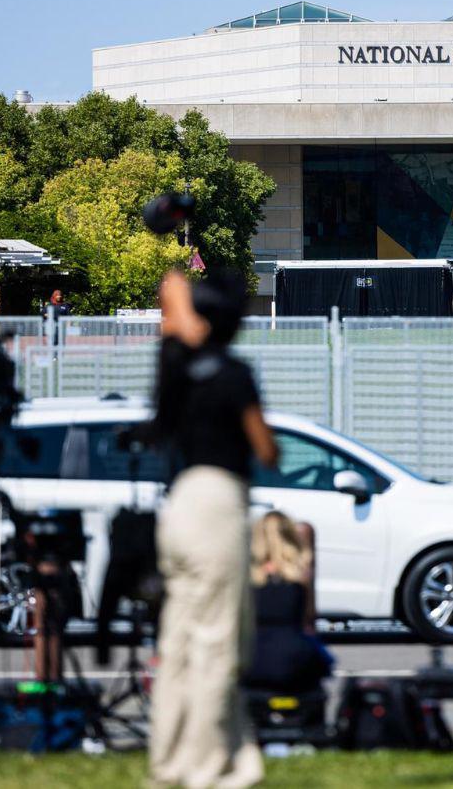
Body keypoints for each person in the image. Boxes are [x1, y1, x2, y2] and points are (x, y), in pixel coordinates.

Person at [148, 268, 279, 789]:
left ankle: (170, 762)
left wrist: (176, 282)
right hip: (217, 502)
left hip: (177, 505)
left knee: (178, 644)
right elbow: (266, 448)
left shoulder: (174, 369)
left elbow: (177, 325)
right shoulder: (234, 374)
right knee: (217, 644)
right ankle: (207, 769)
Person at [242, 511, 333, 694]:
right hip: (293, 655)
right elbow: (309, 619)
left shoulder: (247, 577)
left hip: (253, 657)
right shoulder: (299, 576)